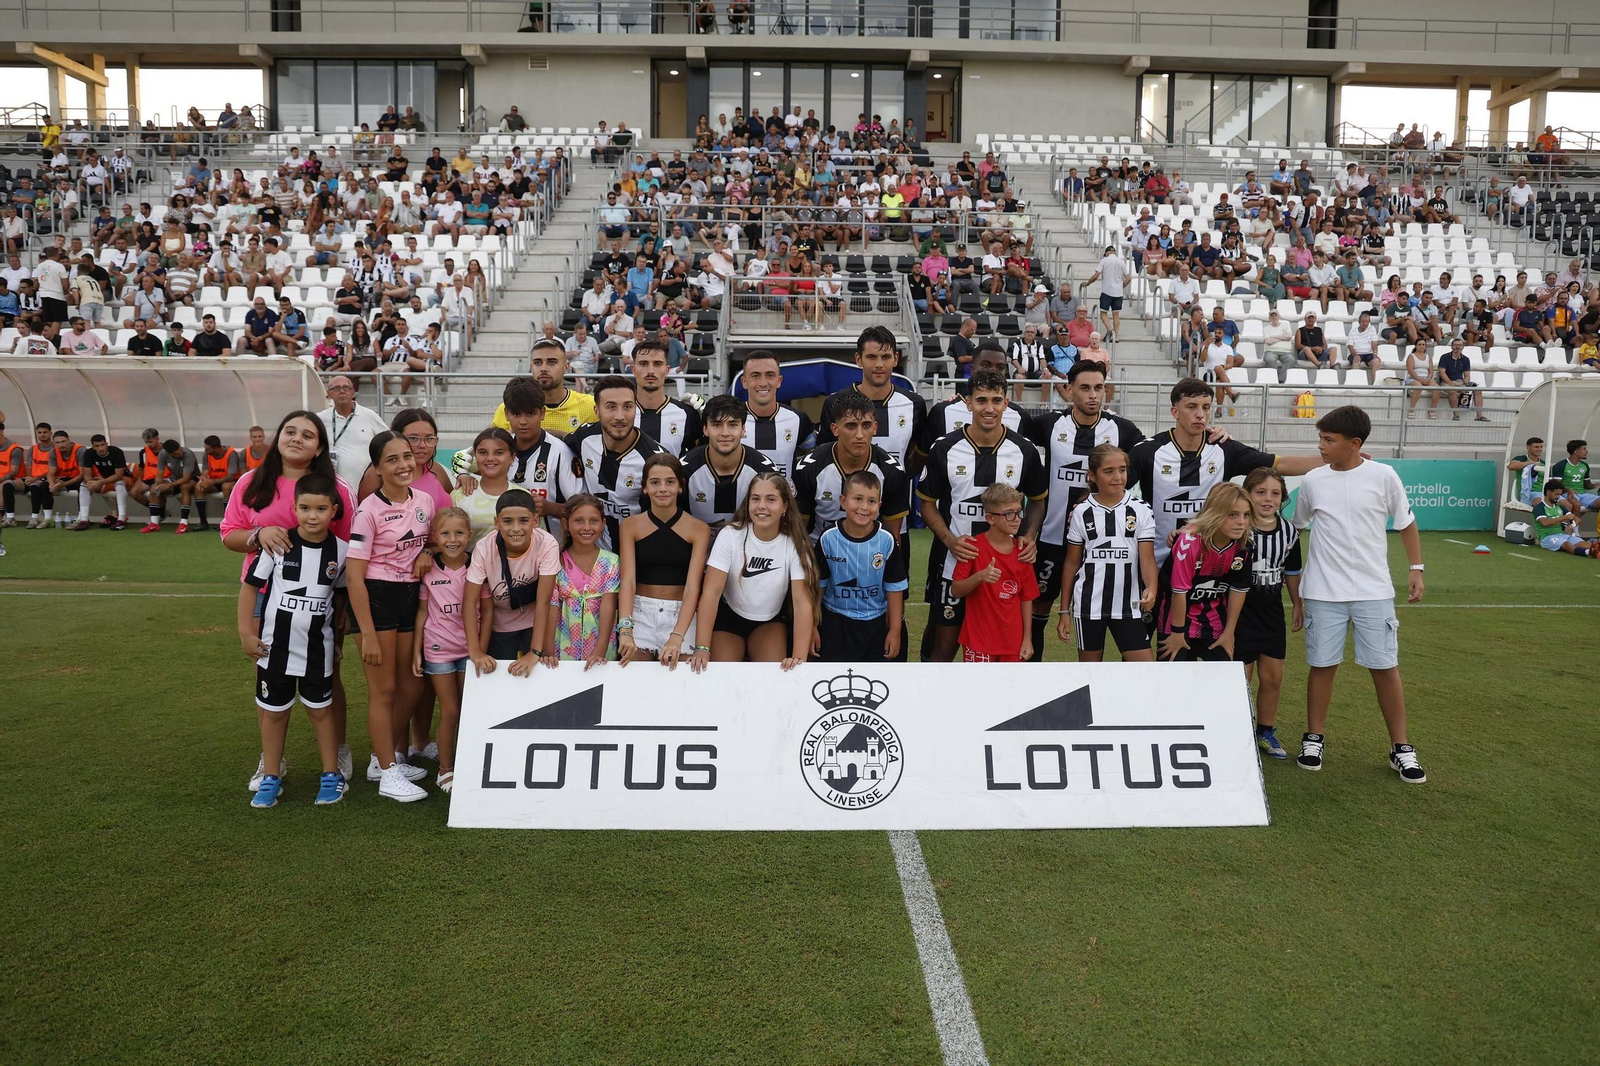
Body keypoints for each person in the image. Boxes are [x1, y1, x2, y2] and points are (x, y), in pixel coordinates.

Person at [221, 410, 358, 791]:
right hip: (266, 597)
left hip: (323, 602)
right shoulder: (251, 483)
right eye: (290, 431)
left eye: (308, 435)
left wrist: (343, 614)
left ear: (319, 447)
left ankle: (338, 751)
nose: (297, 439)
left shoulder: (339, 490)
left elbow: (350, 553)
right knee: (268, 674)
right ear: (278, 436)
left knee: (328, 672)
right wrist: (258, 534)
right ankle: (272, 760)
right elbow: (229, 533)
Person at [1292, 405, 1427, 783]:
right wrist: (1297, 592)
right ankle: (1313, 738)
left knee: (1385, 668)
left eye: (1328, 440)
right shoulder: (1314, 480)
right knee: (1322, 666)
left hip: (1373, 591)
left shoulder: (1384, 476)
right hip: (1322, 591)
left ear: (1355, 444)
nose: (1321, 446)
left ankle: (1401, 747)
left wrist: (1416, 569)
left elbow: (1407, 522)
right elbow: (1295, 529)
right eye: (1320, 438)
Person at [918, 369, 1048, 662]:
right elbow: (926, 503)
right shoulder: (945, 448)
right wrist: (950, 541)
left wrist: (1028, 537)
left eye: (996, 400)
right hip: (955, 561)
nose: (989, 408)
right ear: (967, 403)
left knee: (1003, 644)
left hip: (1004, 566)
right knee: (944, 644)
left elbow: (1039, 501)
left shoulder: (1024, 451)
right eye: (981, 400)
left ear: (1006, 404)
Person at [238, 473, 349, 809]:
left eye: (320, 508)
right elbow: (249, 587)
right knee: (273, 713)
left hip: (319, 651)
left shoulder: (341, 551)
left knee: (322, 712)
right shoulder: (278, 543)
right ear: (294, 508)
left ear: (333, 511)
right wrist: (246, 633)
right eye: (304, 508)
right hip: (275, 650)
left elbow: (341, 600)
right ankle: (271, 776)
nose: (312, 515)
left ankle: (331, 775)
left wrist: (339, 640)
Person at [1025, 359, 1149, 660]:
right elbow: (1009, 426)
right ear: (1068, 391)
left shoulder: (1122, 429)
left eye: (1098, 388)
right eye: (1084, 388)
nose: (1093, 395)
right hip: (1053, 539)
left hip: (1102, 544)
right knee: (1038, 606)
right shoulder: (1049, 425)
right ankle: (1031, 672)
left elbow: (1152, 454)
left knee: (1114, 607)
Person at [346, 431, 436, 803]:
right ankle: (387, 772)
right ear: (378, 468)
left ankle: (383, 758)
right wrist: (366, 632)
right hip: (376, 599)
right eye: (393, 460)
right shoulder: (368, 510)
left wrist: (427, 551)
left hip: (410, 598)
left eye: (406, 456)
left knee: (412, 686)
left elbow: (426, 540)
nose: (403, 465)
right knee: (383, 691)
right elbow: (353, 574)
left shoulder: (426, 500)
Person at [689, 473, 818, 672]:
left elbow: (802, 604)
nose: (762, 506)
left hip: (769, 622)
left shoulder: (795, 545)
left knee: (771, 678)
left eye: (771, 500)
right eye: (755, 499)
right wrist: (702, 648)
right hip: (728, 619)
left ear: (784, 506)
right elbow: (711, 594)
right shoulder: (730, 536)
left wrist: (799, 658)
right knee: (723, 676)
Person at [1055, 444, 1156, 662]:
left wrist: (1152, 588)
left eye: (1122, 470)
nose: (1118, 477)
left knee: (1146, 669)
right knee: (1091, 673)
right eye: (1109, 471)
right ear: (1092, 475)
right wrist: (1064, 611)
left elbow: (1147, 558)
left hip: (1129, 605)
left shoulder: (1141, 510)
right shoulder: (1081, 512)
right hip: (1089, 605)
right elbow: (1072, 563)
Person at [411, 506, 485, 794]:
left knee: (469, 709)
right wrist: (417, 651)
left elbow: (486, 609)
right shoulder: (428, 569)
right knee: (451, 709)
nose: (452, 539)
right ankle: (445, 769)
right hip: (438, 650)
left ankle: (471, 762)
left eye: (458, 533)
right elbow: (421, 612)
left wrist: (480, 645)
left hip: (470, 650)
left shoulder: (476, 566)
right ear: (434, 537)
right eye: (445, 533)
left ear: (469, 535)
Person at [617, 453, 711, 669]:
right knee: (633, 680)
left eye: (670, 482)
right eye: (655, 482)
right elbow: (628, 581)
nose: (662, 489)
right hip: (640, 613)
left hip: (682, 615)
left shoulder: (699, 529)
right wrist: (626, 630)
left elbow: (692, 587)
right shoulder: (630, 526)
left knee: (682, 685)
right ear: (645, 487)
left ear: (680, 486)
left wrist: (677, 636)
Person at [1235, 468, 1304, 760]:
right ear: (1248, 495)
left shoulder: (1288, 532)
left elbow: (1292, 571)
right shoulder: (1238, 527)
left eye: (1275, 493)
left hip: (1271, 615)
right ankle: (1236, 733)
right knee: (1241, 679)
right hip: (1239, 617)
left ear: (1282, 498)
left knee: (1273, 678)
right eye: (1260, 492)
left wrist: (1297, 603)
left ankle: (1265, 732)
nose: (1268, 499)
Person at [794, 390, 911, 546]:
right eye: (851, 426)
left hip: (870, 555)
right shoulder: (809, 468)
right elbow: (798, 532)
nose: (860, 434)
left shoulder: (892, 471)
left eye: (866, 425)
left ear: (875, 428)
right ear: (835, 429)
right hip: (819, 553)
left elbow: (891, 537)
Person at [464, 488, 560, 679]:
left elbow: (543, 602)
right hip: (500, 624)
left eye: (523, 521)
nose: (516, 528)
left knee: (536, 677)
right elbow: (469, 602)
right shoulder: (484, 548)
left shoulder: (547, 543)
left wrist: (534, 652)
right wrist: (475, 651)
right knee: (500, 678)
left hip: (534, 621)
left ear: (535, 521)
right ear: (496, 523)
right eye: (507, 521)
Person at [812, 470, 907, 663]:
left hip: (875, 621)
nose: (864, 507)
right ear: (843, 501)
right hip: (835, 620)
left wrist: (895, 631)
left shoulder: (887, 540)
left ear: (879, 506)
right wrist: (812, 625)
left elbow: (894, 588)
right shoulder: (828, 538)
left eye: (871, 501)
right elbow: (818, 585)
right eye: (857, 499)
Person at [1159, 482, 1253, 663]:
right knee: (1173, 682)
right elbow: (1179, 591)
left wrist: (1229, 633)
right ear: (1215, 513)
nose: (1242, 522)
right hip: (1176, 620)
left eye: (1246, 515)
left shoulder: (1244, 547)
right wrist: (1178, 633)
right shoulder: (1189, 541)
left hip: (1214, 620)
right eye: (1233, 515)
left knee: (1223, 680)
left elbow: (1238, 591)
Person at [566, 376, 663, 549]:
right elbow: (561, 437)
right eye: (611, 407)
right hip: (594, 551)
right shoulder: (584, 437)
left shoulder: (654, 460)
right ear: (596, 411)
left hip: (639, 553)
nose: (620, 416)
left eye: (627, 407)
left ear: (636, 409)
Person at [815, 325, 926, 472]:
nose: (879, 365)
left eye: (886, 357)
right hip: (846, 494)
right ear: (858, 359)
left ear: (896, 359)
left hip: (897, 493)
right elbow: (824, 457)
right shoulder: (834, 403)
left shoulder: (914, 404)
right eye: (871, 357)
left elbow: (918, 457)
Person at [951, 483, 1039, 663]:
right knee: (978, 690)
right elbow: (956, 590)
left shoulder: (1022, 552)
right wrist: (980, 577)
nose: (1016, 519)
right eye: (1009, 514)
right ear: (990, 518)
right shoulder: (972, 548)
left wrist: (1027, 639)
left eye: (1019, 512)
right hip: (978, 642)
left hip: (1013, 643)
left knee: (1010, 690)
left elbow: (1026, 598)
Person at [543, 494, 621, 668]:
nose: (586, 527)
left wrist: (600, 650)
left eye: (593, 521)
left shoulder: (611, 562)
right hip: (561, 649)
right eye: (578, 520)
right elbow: (551, 607)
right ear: (565, 524)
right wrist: (548, 649)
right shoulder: (555, 561)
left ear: (603, 524)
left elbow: (608, 606)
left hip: (600, 650)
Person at [680, 395, 780, 529]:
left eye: (733, 425)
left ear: (743, 429)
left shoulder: (764, 470)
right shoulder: (685, 469)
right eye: (716, 425)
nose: (725, 433)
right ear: (705, 429)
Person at [492, 340, 598, 439]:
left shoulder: (589, 406)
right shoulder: (510, 408)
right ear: (531, 367)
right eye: (537, 363)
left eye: (552, 362)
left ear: (566, 367)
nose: (543, 368)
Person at [740, 350, 813, 480]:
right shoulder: (732, 419)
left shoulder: (798, 419)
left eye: (770, 375)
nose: (763, 383)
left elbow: (814, 454)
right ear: (744, 382)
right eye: (755, 376)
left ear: (779, 381)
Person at [632, 341, 701, 457]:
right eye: (643, 364)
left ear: (667, 370)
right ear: (633, 369)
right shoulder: (620, 414)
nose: (650, 371)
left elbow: (698, 457)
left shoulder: (686, 414)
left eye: (658, 364)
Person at [319, 375, 389, 486]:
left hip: (365, 484)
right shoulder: (321, 419)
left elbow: (388, 441)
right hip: (330, 483)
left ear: (353, 392)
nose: (342, 391)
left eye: (346, 388)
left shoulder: (369, 415)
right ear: (329, 393)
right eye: (336, 388)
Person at [144, 438, 199, 534]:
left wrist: (169, 485)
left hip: (192, 478)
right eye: (176, 454)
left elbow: (186, 478)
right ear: (169, 454)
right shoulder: (163, 454)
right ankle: (154, 523)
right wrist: (158, 484)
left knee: (184, 487)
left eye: (180, 451)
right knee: (153, 488)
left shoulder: (188, 454)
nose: (180, 454)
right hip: (175, 479)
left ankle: (183, 523)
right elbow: (160, 473)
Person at [1531, 478, 1598, 557]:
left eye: (1560, 494)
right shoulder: (1539, 507)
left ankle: (1593, 551)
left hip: (1563, 535)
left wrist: (1571, 526)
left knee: (1583, 543)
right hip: (1547, 537)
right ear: (1548, 492)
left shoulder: (1560, 507)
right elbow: (1545, 523)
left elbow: (1577, 519)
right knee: (1567, 545)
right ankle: (1588, 552)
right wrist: (1564, 517)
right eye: (1556, 494)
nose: (1558, 497)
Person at [82, 433, 131, 529]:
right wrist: (90, 483)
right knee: (83, 485)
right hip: (105, 480)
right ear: (93, 447)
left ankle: (121, 520)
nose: (101, 448)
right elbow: (87, 475)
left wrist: (99, 482)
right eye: (97, 446)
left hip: (125, 479)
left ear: (106, 444)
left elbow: (119, 475)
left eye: (103, 445)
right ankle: (83, 520)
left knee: (119, 484)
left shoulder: (116, 452)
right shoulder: (89, 453)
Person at [194, 434, 242, 530]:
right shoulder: (207, 454)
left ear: (215, 449)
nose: (205, 451)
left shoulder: (231, 453)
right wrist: (202, 480)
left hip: (230, 481)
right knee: (198, 488)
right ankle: (203, 523)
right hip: (214, 482)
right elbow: (205, 471)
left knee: (226, 486)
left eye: (207, 449)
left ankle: (227, 522)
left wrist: (211, 482)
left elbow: (231, 476)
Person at [1437, 339, 1488, 422]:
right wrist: (1451, 383)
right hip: (1447, 382)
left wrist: (1465, 383)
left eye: (1460, 345)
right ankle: (1456, 415)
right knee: (1452, 391)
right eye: (1455, 345)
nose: (1457, 347)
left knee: (1477, 390)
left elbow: (1467, 375)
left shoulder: (1465, 359)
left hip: (1460, 382)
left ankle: (1479, 415)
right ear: (1451, 346)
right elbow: (1442, 372)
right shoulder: (1445, 357)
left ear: (1463, 347)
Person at [1549, 439, 1600, 513]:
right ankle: (1574, 524)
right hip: (1566, 494)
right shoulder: (1560, 465)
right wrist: (1568, 489)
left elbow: (1587, 485)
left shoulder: (1584, 466)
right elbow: (1557, 486)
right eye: (1584, 449)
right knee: (1576, 504)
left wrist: (1596, 485)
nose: (1587, 451)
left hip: (1582, 495)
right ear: (1576, 452)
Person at [1507, 437, 1547, 504]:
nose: (1539, 449)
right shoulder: (1522, 459)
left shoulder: (1543, 463)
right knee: (1540, 503)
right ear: (1528, 447)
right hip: (1529, 493)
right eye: (1536, 447)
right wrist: (1530, 463)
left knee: (1565, 504)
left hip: (1543, 492)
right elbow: (1511, 466)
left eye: (1541, 447)